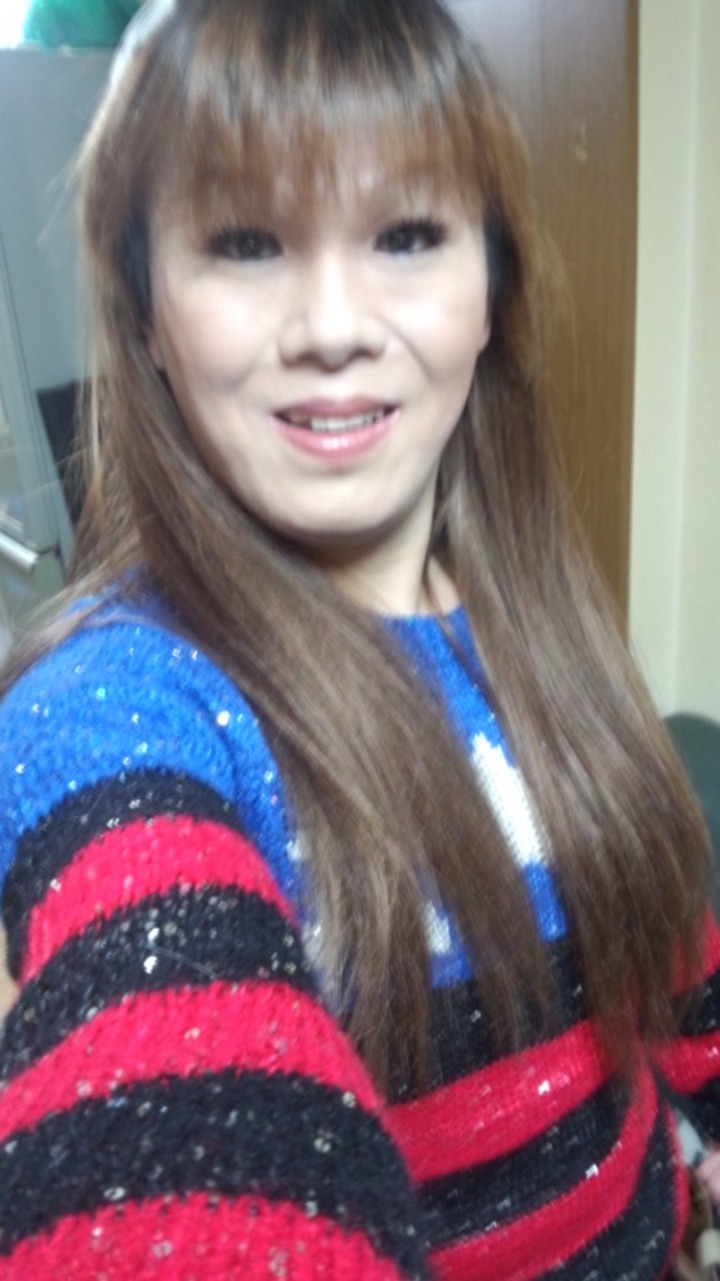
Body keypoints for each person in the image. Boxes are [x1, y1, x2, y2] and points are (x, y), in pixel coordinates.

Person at [0, 0, 718, 1276]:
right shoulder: (113, 706)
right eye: (245, 242)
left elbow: (663, 941)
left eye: (406, 234)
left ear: (490, 288)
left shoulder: (539, 615)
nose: (333, 325)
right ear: (146, 312)